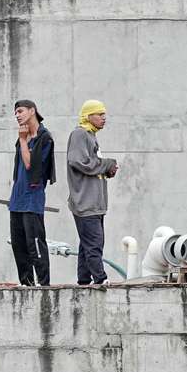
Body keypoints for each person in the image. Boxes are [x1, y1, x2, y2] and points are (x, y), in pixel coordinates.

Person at [67, 100, 118, 285]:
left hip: (94, 203)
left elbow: (91, 165)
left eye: (104, 114)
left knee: (86, 245)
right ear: (88, 116)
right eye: (99, 114)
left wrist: (107, 170)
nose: (103, 118)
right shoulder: (80, 134)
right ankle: (100, 279)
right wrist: (107, 164)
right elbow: (78, 161)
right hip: (85, 203)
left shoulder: (91, 135)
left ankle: (83, 280)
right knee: (94, 243)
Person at [9, 100, 56, 286]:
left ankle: (44, 285)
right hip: (17, 199)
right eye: (15, 113)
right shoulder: (23, 137)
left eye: (20, 111)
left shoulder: (44, 137)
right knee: (18, 245)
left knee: (35, 243)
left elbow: (31, 166)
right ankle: (26, 283)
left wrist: (22, 140)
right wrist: (22, 140)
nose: (17, 115)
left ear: (32, 111)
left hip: (32, 200)